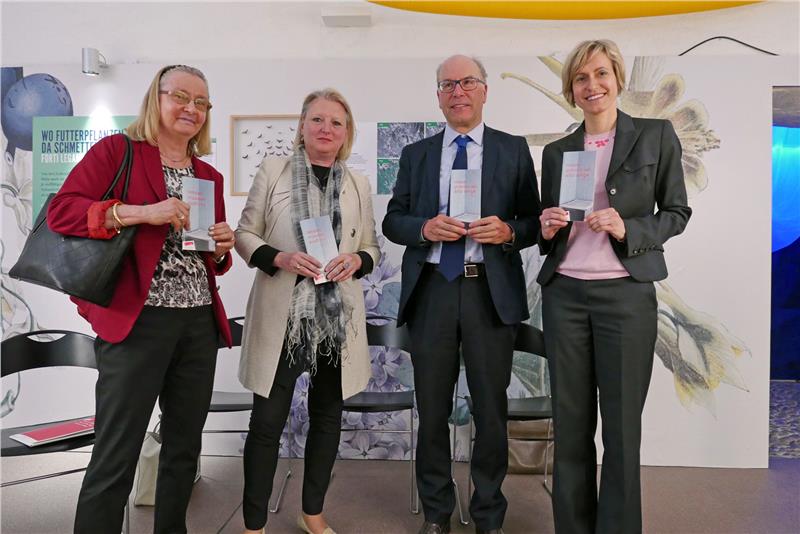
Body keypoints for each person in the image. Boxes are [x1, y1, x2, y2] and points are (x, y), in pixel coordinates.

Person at [47, 64, 235, 534]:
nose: (191, 108)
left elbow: (206, 258)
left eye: (201, 102)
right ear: (157, 98)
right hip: (138, 322)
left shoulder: (206, 174)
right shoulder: (119, 151)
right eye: (181, 97)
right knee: (117, 452)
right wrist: (140, 212)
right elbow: (61, 212)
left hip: (197, 324)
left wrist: (221, 248)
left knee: (184, 450)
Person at [537, 39, 692, 534]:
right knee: (571, 427)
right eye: (581, 78)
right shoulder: (558, 152)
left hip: (626, 296)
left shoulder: (655, 135)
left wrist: (629, 228)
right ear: (571, 89)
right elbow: (550, 233)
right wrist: (547, 228)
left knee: (622, 431)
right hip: (564, 296)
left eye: (601, 73)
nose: (593, 85)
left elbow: (676, 212)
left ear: (618, 78)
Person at [383, 55, 541, 534]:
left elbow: (534, 222)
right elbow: (393, 221)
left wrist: (508, 231)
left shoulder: (513, 149)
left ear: (484, 91)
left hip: (488, 293)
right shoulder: (416, 154)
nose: (458, 91)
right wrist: (424, 228)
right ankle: (437, 514)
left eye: (467, 81)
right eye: (448, 84)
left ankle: (489, 514)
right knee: (432, 410)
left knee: (490, 410)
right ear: (438, 96)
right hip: (432, 290)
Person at [234, 88, 380, 534]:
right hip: (283, 316)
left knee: (327, 419)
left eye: (336, 122)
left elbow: (371, 246)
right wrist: (278, 257)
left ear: (347, 133)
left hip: (335, 318)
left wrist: (356, 260)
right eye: (317, 119)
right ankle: (254, 523)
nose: (326, 129)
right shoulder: (273, 170)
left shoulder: (357, 183)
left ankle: (312, 512)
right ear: (301, 126)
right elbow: (244, 234)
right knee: (267, 422)